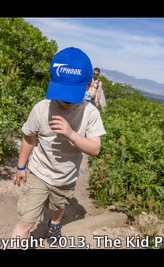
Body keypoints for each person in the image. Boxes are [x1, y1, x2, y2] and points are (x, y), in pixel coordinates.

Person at [10, 47, 106, 240]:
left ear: (88, 86)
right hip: (39, 172)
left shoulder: (90, 113)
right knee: (25, 223)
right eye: (62, 92)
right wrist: (21, 166)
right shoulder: (42, 108)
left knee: (59, 205)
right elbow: (29, 137)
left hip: (66, 177)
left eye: (71, 94)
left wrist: (71, 133)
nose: (65, 100)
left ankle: (54, 223)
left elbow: (95, 148)